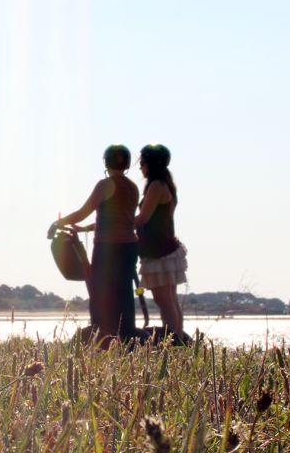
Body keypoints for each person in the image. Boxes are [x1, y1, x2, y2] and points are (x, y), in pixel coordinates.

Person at [49, 145, 139, 342]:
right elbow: (118, 218)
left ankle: (102, 334)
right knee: (124, 293)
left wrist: (58, 223)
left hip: (108, 247)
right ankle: (127, 335)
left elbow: (83, 212)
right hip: (130, 247)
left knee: (100, 292)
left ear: (106, 162)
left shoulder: (105, 184)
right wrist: (83, 230)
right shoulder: (133, 187)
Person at [135, 144, 188, 340]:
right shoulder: (165, 184)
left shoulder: (157, 186)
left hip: (159, 251)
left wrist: (114, 224)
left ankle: (173, 341)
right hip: (164, 248)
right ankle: (178, 339)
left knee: (164, 300)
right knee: (169, 299)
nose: (140, 168)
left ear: (150, 164)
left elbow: (142, 218)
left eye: (142, 163)